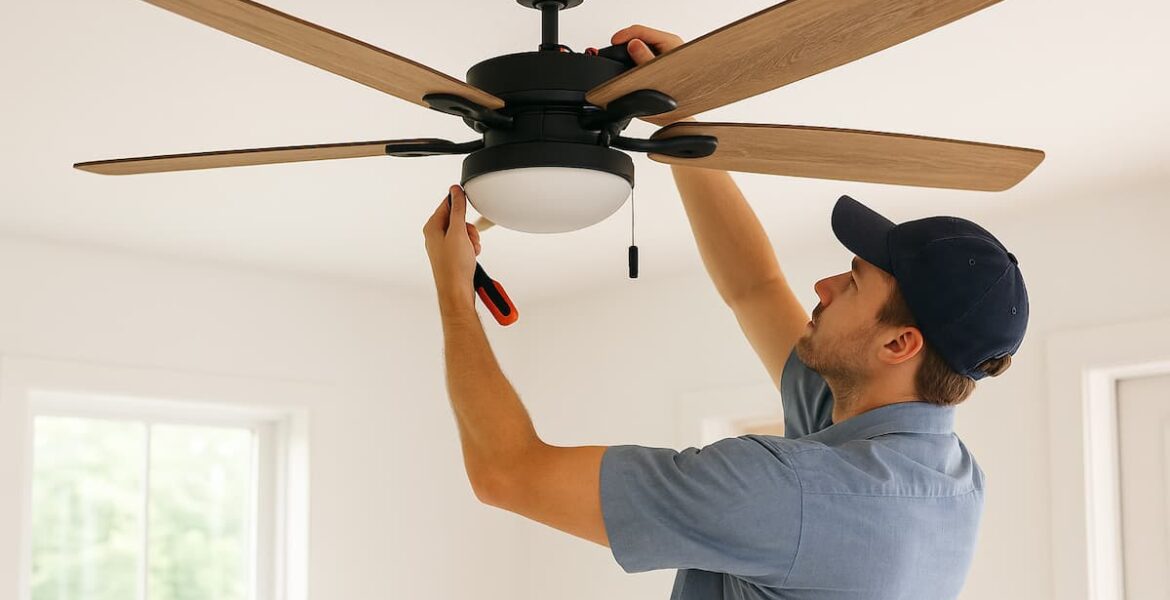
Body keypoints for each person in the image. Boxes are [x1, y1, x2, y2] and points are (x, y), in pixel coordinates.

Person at [421, 25, 1028, 600]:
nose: (822, 284)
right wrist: (680, 120)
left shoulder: (787, 493)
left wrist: (453, 298)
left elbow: (507, 471)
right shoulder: (940, 475)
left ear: (900, 345)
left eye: (854, 282)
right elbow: (755, 286)